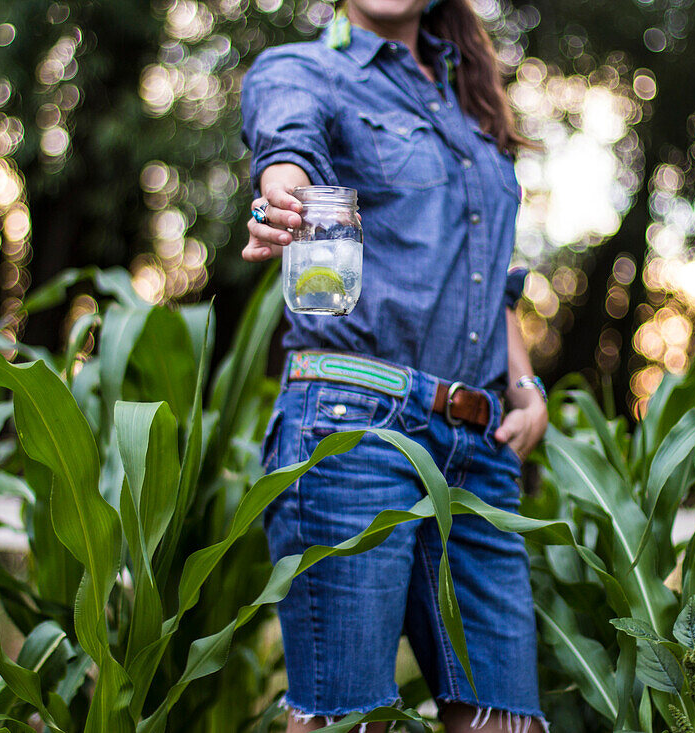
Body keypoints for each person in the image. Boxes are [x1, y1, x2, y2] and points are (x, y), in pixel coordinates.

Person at [240, 0, 549, 731]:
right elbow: (289, 137)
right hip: (352, 432)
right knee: (348, 721)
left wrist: (525, 387)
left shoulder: (467, 100)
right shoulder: (303, 67)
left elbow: (487, 276)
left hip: (478, 448)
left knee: (506, 720)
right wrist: (284, 187)